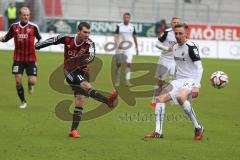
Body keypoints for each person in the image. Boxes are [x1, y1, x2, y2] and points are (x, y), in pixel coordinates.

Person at [35, 22, 118, 138]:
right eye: (85, 32)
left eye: (89, 32)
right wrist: (38, 45)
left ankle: (73, 130)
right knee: (85, 85)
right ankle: (107, 101)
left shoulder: (90, 43)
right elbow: (53, 40)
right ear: (78, 31)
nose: (87, 35)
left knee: (80, 100)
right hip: (69, 71)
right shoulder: (67, 38)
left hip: (83, 71)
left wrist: (78, 61)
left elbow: (91, 57)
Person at [144, 23, 204, 140]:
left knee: (181, 98)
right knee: (159, 99)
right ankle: (158, 132)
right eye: (176, 33)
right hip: (179, 80)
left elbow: (199, 68)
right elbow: (178, 66)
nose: (178, 35)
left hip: (191, 79)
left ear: (186, 34)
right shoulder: (175, 47)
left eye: (180, 33)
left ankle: (198, 127)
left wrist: (196, 86)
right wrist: (173, 81)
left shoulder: (191, 47)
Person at [0, 7, 42, 109]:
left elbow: (40, 38)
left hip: (31, 58)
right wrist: (2, 39)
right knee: (18, 80)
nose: (26, 17)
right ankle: (23, 101)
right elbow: (7, 37)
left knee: (32, 81)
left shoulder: (33, 27)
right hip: (18, 58)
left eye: (27, 15)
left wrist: (38, 44)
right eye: (24, 15)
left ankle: (30, 85)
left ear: (29, 16)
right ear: (20, 16)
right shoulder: (14, 27)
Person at [151, 17, 181, 111]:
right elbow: (156, 44)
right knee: (160, 82)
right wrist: (166, 48)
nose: (176, 24)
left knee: (175, 81)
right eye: (174, 22)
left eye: (177, 22)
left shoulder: (181, 33)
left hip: (175, 61)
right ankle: (154, 100)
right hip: (164, 60)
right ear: (171, 23)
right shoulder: (167, 33)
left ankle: (173, 99)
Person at [114, 12, 139, 86]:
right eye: (125, 17)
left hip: (129, 48)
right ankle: (117, 80)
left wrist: (137, 47)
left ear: (129, 18)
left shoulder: (132, 27)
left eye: (128, 18)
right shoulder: (119, 26)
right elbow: (115, 36)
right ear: (123, 18)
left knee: (128, 64)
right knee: (118, 64)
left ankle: (127, 80)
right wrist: (118, 44)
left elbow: (134, 37)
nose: (126, 19)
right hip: (120, 47)